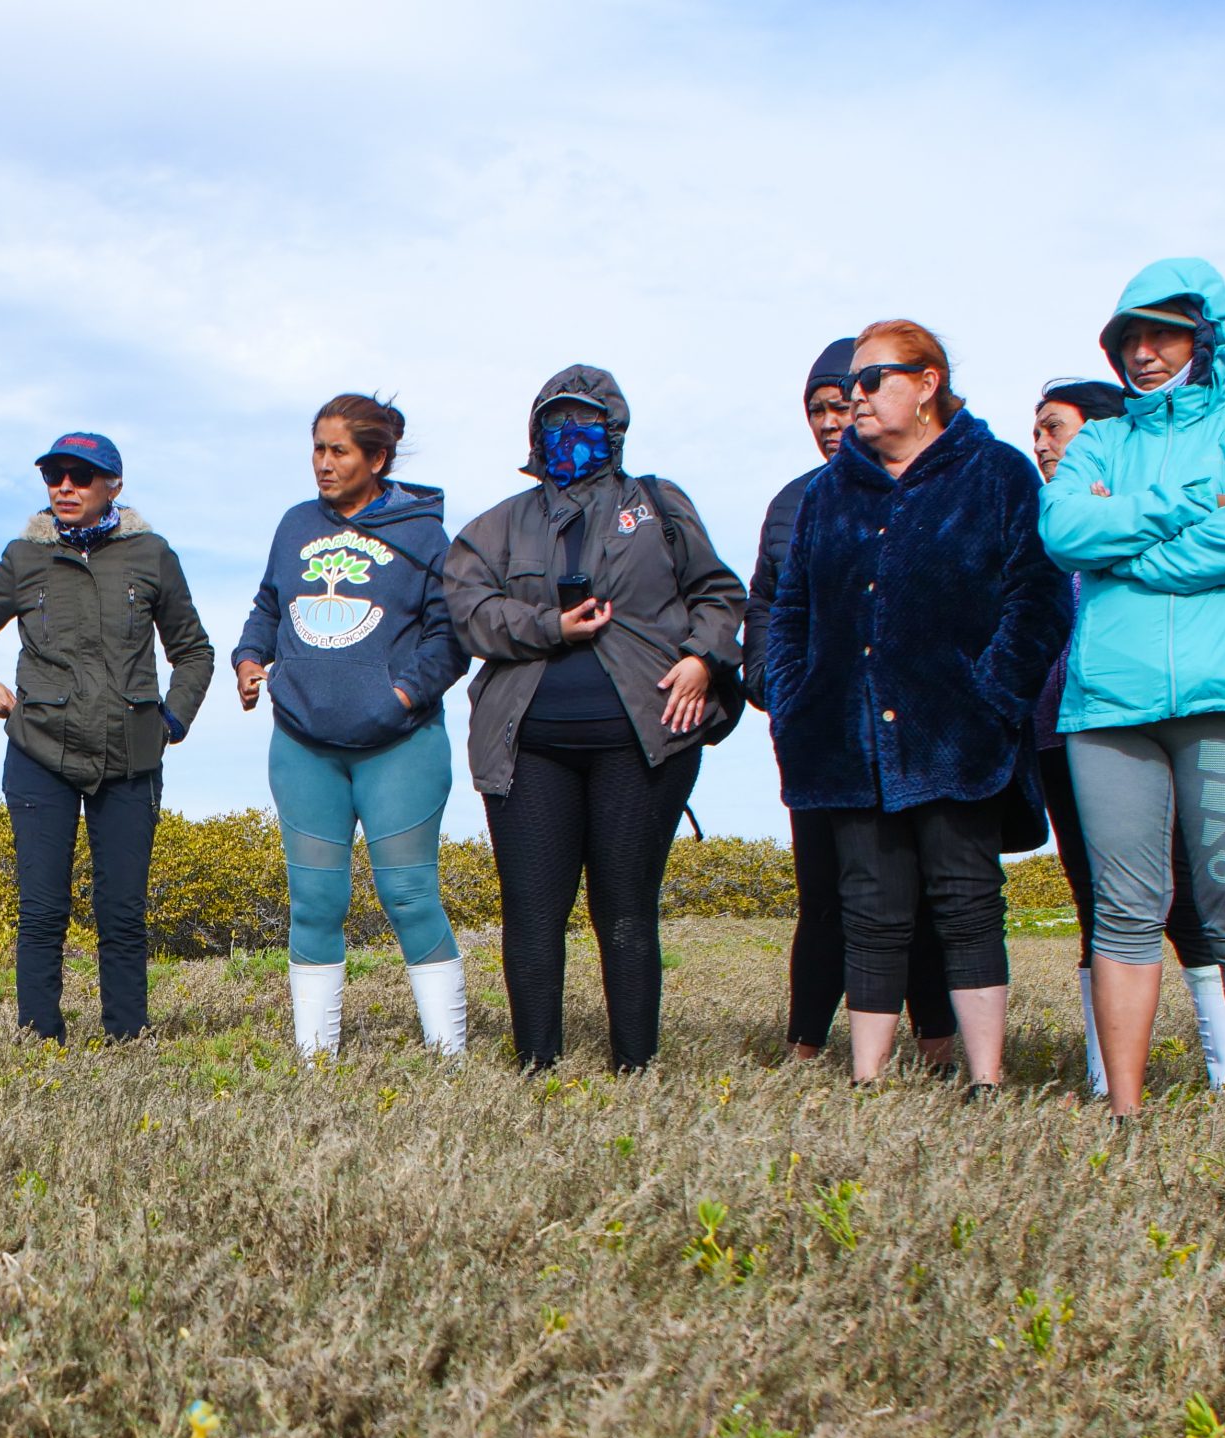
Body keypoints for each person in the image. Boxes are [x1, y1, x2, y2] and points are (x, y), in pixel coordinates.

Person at [763, 321, 1069, 1094]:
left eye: (872, 381)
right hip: (845, 739)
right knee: (869, 906)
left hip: (957, 737)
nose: (853, 398)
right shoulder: (830, 491)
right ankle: (867, 1078)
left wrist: (991, 695)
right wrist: (797, 701)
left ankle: (985, 1078)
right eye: (847, 387)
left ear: (928, 382)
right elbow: (792, 609)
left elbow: (1036, 597)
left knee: (965, 901)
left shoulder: (997, 473)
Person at [1042, 260, 1225, 1115]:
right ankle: (1122, 1112)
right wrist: (1185, 503)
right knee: (1123, 909)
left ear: (1208, 337)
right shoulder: (1098, 440)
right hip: (1110, 708)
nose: (1146, 353)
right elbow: (1064, 526)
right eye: (1131, 338)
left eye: (1164, 334)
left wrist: (1133, 558)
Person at [445, 367, 745, 1072]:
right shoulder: (497, 523)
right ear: (535, 432)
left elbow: (721, 594)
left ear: (614, 428)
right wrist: (551, 624)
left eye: (583, 422)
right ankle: (535, 1065)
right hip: (528, 746)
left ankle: (635, 1065)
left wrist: (704, 658)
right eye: (555, 423)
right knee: (532, 907)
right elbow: (468, 613)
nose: (568, 435)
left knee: (627, 905)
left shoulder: (659, 506)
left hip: (642, 742)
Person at [0, 433, 212, 1044]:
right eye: (54, 475)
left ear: (113, 485)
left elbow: (193, 651)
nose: (65, 486)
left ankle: (127, 1041)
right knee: (41, 911)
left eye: (81, 476)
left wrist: (172, 719)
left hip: (133, 755)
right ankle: (39, 1046)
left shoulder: (153, 555)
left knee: (122, 914)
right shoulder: (21, 558)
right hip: (39, 752)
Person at [744, 338, 959, 1069]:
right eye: (817, 409)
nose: (831, 419)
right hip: (819, 735)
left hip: (913, 730)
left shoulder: (923, 483)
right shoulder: (794, 500)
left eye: (842, 403)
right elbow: (768, 609)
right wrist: (781, 694)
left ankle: (936, 1040)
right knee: (825, 894)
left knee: (924, 891)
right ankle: (805, 1043)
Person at [1031, 378, 1225, 1096]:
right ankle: (1105, 1076)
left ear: (1098, 434)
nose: (1040, 443)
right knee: (1096, 899)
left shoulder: (1152, 505)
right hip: (1061, 730)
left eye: (1054, 428)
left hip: (1152, 719)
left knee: (1187, 894)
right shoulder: (1045, 519)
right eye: (1038, 429)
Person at [231, 395, 467, 1054]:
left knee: (411, 894)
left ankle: (451, 1061)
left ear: (377, 457)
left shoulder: (423, 533)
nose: (323, 464)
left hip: (400, 746)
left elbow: (451, 637)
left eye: (339, 451)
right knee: (313, 901)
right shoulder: (295, 524)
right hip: (304, 746)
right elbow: (269, 605)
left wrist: (399, 696)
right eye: (317, 449)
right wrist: (251, 657)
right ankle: (316, 1065)